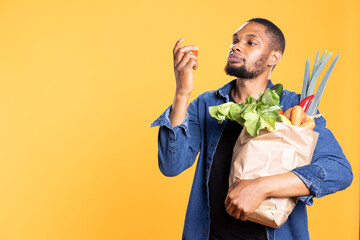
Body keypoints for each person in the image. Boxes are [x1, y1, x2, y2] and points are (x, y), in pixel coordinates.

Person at [151, 18, 353, 240]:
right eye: (235, 40)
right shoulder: (207, 104)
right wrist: (182, 92)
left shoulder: (296, 109)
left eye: (251, 42)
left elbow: (339, 171)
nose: (236, 46)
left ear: (274, 57)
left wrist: (263, 186)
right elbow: (171, 165)